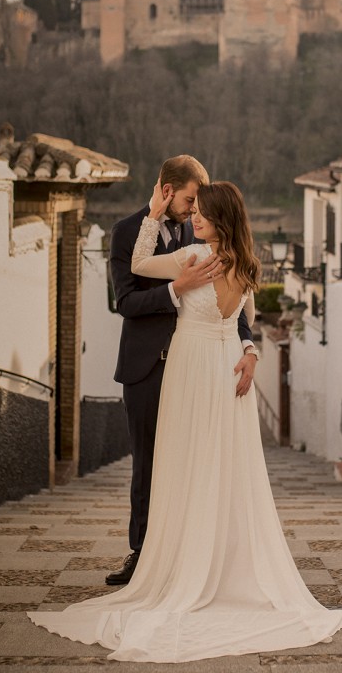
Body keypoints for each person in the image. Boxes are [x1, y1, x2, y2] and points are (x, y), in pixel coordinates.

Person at [28, 180, 342, 663]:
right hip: (220, 367)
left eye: (201, 213)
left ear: (219, 219)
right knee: (214, 465)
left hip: (200, 365)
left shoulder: (192, 259)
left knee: (194, 465)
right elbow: (245, 320)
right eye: (191, 210)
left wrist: (152, 217)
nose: (193, 219)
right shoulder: (247, 265)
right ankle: (210, 566)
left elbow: (140, 267)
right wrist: (246, 348)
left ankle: (189, 567)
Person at [100, 155, 257, 588]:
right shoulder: (127, 232)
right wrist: (176, 290)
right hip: (148, 365)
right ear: (166, 190)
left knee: (196, 461)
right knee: (150, 463)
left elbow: (234, 305)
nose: (194, 209)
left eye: (199, 203)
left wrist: (249, 346)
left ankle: (191, 555)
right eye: (189, 199)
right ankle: (143, 554)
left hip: (200, 366)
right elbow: (126, 302)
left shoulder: (203, 232)